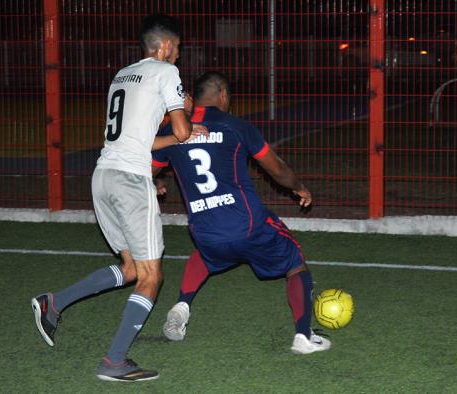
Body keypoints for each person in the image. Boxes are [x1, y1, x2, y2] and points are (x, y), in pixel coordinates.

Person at [30, 14, 205, 382]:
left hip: (104, 176)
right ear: (167, 46)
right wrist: (186, 115)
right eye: (178, 50)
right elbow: (181, 128)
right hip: (129, 181)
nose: (178, 57)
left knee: (130, 269)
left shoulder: (123, 75)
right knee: (151, 277)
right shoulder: (166, 72)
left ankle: (54, 303)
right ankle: (115, 361)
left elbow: (143, 140)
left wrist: (178, 136)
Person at [152, 71, 331, 354]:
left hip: (204, 230)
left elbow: (147, 169)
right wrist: (299, 187)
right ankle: (303, 336)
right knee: (295, 263)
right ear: (222, 94)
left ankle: (181, 306)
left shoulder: (172, 132)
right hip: (247, 225)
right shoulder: (235, 126)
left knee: (206, 254)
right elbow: (277, 169)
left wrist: (158, 180)